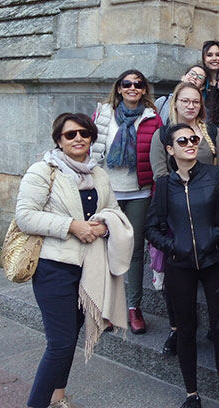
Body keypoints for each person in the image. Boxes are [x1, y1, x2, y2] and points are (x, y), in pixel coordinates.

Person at [18, 113, 133, 408]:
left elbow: (114, 208)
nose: (78, 138)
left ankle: (58, 398)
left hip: (89, 270)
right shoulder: (43, 171)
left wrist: (105, 225)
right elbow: (25, 216)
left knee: (67, 340)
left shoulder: (99, 174)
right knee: (60, 343)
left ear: (92, 137)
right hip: (53, 267)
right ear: (59, 139)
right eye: (70, 134)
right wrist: (72, 226)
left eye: (84, 133)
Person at [144, 123, 219, 408]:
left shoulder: (216, 175)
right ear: (170, 149)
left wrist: (217, 234)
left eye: (193, 139)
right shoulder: (164, 185)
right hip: (181, 266)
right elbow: (151, 229)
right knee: (186, 331)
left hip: (216, 261)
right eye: (182, 141)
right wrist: (173, 246)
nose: (190, 144)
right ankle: (192, 394)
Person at [91, 69, 163, 334]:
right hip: (108, 193)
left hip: (139, 193)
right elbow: (93, 153)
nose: (133, 88)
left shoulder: (152, 118)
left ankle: (133, 308)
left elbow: (158, 157)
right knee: (106, 248)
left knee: (133, 251)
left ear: (144, 90)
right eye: (127, 84)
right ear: (119, 88)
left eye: (138, 84)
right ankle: (106, 308)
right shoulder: (104, 115)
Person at [150, 82, 219, 179]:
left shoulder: (213, 132)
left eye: (196, 102)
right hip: (174, 191)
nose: (191, 106)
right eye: (185, 101)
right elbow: (160, 175)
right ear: (175, 103)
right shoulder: (162, 135)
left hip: (210, 191)